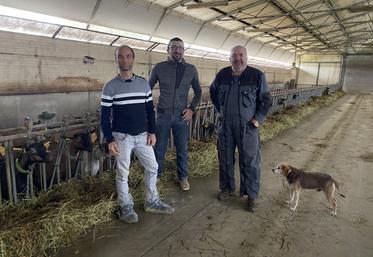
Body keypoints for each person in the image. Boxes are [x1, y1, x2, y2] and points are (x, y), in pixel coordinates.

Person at [100, 45, 174, 223]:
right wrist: (110, 140)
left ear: (133, 59)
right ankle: (126, 205)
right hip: (121, 137)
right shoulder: (110, 87)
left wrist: (152, 132)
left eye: (128, 56)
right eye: (121, 57)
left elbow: (150, 111)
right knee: (123, 172)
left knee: (153, 166)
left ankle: (152, 201)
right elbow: (104, 116)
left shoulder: (143, 84)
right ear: (116, 59)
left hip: (142, 136)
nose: (124, 60)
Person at [209, 45, 272, 212]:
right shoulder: (222, 74)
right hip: (226, 126)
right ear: (229, 58)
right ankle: (227, 188)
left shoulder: (257, 75)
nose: (238, 58)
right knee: (225, 159)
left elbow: (266, 99)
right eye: (234, 56)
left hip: (248, 127)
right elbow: (213, 91)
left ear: (246, 56)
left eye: (241, 55)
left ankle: (251, 195)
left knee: (250, 161)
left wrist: (257, 119)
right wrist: (220, 109)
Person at [149, 37, 202, 191]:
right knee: (159, 147)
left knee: (182, 148)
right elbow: (147, 88)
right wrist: (150, 106)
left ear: (183, 50)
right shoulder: (159, 67)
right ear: (168, 49)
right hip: (163, 115)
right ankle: (157, 176)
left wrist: (191, 108)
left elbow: (198, 92)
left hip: (181, 115)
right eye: (173, 47)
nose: (177, 50)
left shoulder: (191, 69)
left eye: (180, 47)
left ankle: (183, 177)